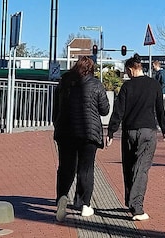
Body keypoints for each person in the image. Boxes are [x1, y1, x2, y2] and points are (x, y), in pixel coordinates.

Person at [106, 55, 165, 222]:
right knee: (141, 168)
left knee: (128, 167)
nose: (127, 74)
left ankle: (130, 201)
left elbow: (118, 111)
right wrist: (164, 128)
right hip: (148, 131)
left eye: (127, 71)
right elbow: (160, 109)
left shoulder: (127, 87)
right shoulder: (154, 85)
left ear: (131, 69)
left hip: (129, 131)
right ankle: (137, 207)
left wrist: (111, 132)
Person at [53, 56, 110, 221]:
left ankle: (62, 198)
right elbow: (104, 109)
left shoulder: (64, 82)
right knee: (86, 168)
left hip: (66, 131)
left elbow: (56, 108)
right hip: (88, 133)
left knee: (65, 168)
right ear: (91, 70)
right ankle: (85, 205)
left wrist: (57, 125)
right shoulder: (95, 84)